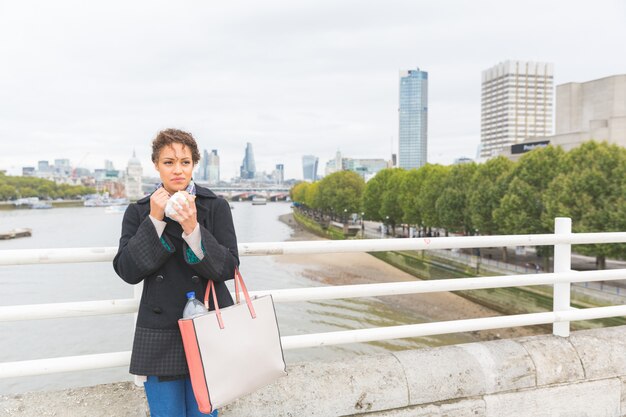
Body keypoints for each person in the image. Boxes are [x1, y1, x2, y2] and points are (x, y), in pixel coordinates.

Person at [113, 128, 239, 417]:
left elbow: (228, 267)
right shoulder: (139, 211)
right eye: (168, 162)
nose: (178, 170)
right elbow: (127, 271)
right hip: (159, 331)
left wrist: (192, 228)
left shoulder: (215, 207)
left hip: (207, 324)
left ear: (194, 164)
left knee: (204, 413)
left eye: (184, 161)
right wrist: (155, 220)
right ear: (156, 165)